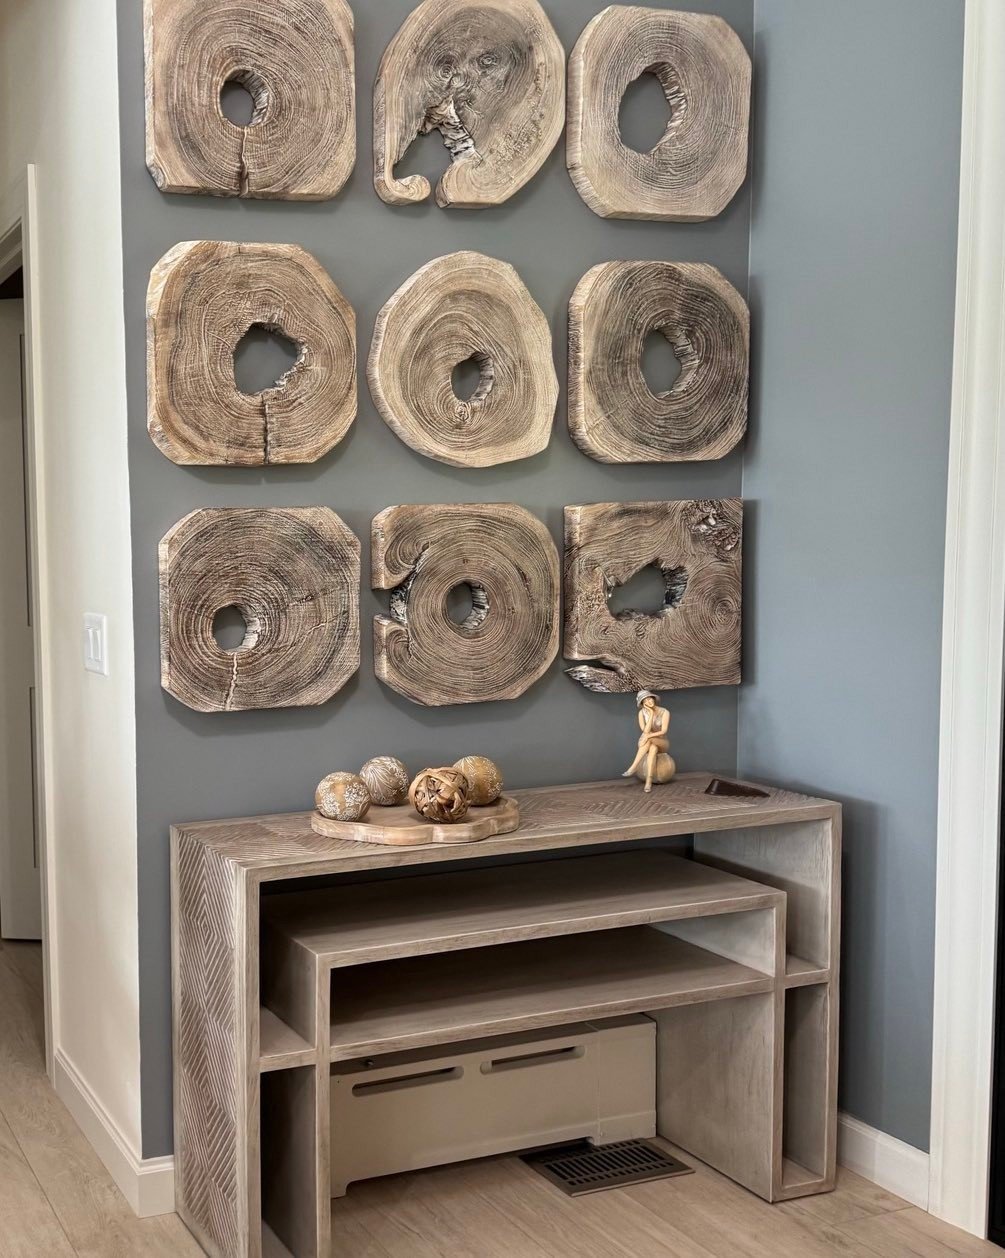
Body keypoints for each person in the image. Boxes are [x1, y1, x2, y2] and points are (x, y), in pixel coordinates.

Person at [622, 689, 672, 793]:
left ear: (653, 698)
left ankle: (634, 766)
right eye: (645, 701)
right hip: (649, 743)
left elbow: (663, 731)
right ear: (643, 704)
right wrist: (651, 714)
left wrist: (649, 736)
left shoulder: (665, 712)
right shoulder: (641, 713)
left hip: (663, 743)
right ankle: (648, 782)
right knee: (653, 749)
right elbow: (645, 731)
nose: (649, 702)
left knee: (648, 738)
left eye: (650, 699)